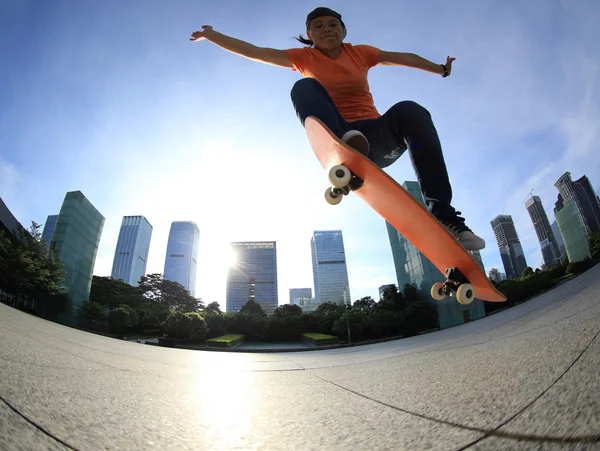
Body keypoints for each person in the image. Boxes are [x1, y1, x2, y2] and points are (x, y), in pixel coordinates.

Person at [190, 7, 485, 251]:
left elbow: (402, 57)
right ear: (309, 35)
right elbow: (254, 51)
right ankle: (342, 146)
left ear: (343, 30)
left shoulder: (361, 53)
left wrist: (440, 68)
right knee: (304, 86)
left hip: (376, 141)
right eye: (318, 26)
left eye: (333, 24)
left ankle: (445, 217)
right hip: (337, 136)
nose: (327, 29)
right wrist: (212, 35)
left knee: (412, 110)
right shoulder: (302, 58)